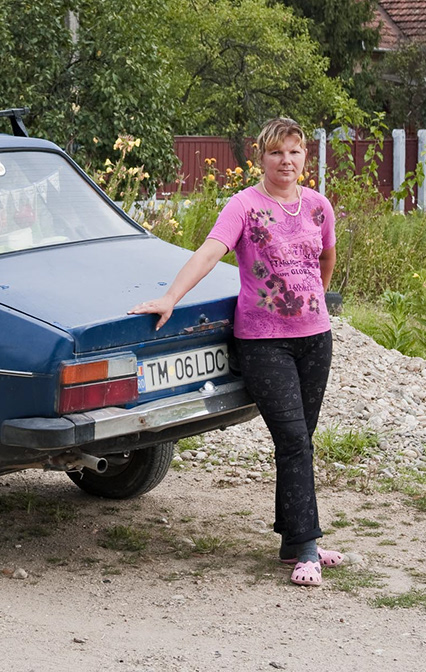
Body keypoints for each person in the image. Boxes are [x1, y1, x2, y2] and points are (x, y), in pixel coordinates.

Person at [129, 117, 341, 587]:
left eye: (294, 152)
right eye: (276, 153)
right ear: (260, 157)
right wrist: (170, 297)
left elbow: (326, 257)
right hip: (264, 342)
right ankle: (306, 546)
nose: (286, 161)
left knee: (301, 439)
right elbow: (209, 251)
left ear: (305, 157)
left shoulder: (319, 206)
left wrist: (316, 302)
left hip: (315, 338)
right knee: (293, 440)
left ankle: (294, 541)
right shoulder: (244, 205)